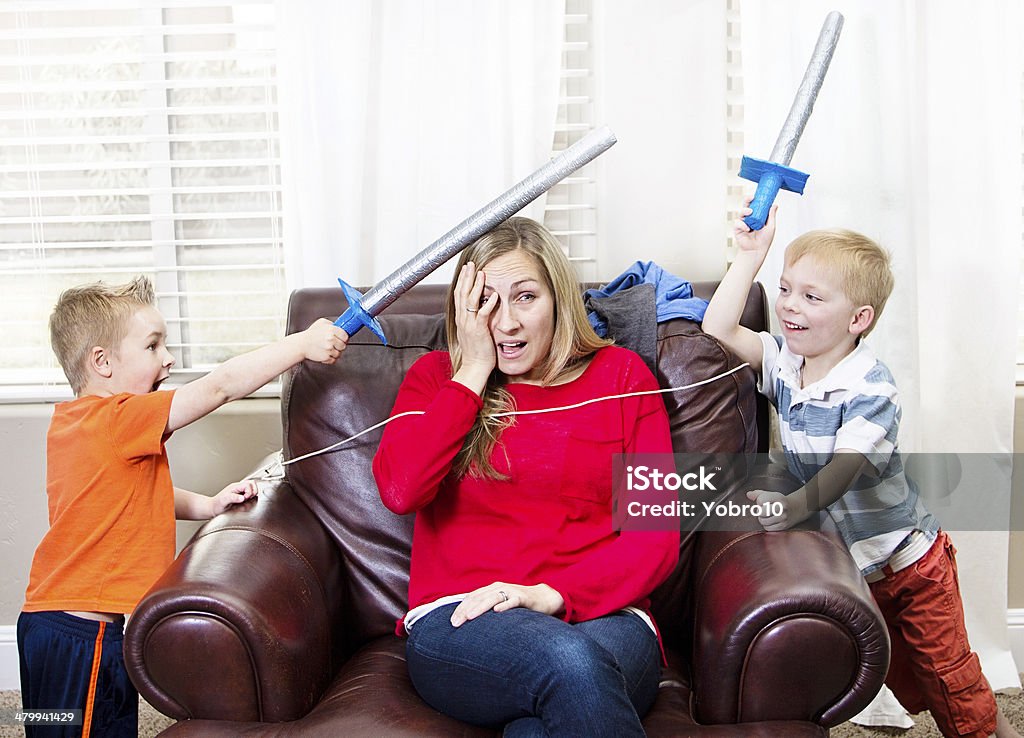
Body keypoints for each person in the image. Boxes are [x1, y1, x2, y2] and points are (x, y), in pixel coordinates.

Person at [702, 206, 1020, 738]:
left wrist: (796, 507)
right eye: (785, 289)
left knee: (951, 682)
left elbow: (845, 468)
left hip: (910, 565)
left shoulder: (871, 387)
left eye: (812, 296)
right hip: (860, 569)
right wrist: (750, 258)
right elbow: (718, 328)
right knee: (911, 682)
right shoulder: (783, 362)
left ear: (859, 320)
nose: (788, 306)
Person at [372, 217, 679, 736]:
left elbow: (657, 536)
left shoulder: (624, 376)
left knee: (541, 722)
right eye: (486, 302)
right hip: (464, 621)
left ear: (558, 298)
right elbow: (401, 491)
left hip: (608, 617)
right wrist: (470, 372)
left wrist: (553, 593)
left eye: (525, 297)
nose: (507, 323)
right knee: (570, 665)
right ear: (464, 311)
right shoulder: (433, 381)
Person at [19, 276, 348, 738]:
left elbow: (125, 498)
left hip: (51, 623)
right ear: (102, 362)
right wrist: (300, 344)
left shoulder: (75, 425)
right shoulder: (118, 418)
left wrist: (210, 504)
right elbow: (220, 387)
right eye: (153, 346)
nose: (169, 358)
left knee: (52, 723)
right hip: (84, 635)